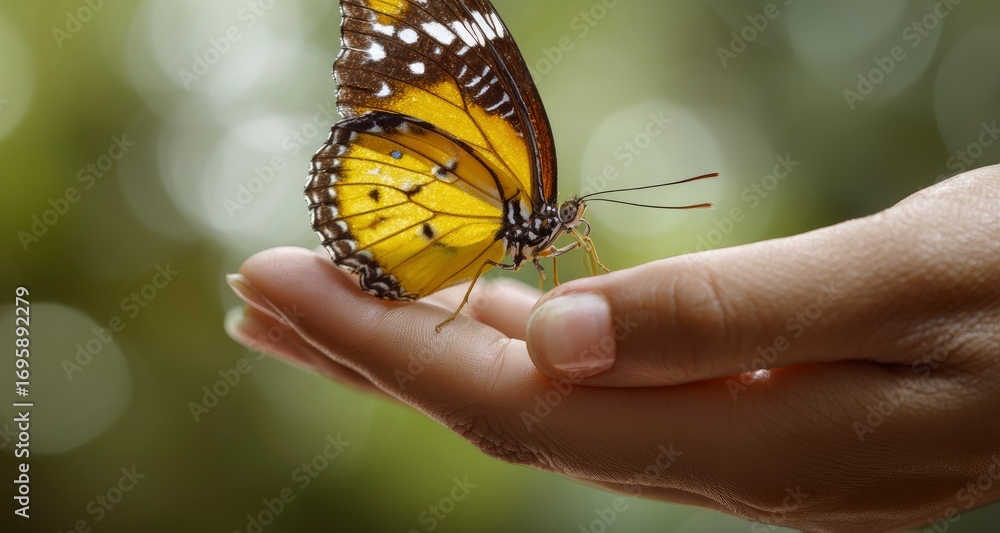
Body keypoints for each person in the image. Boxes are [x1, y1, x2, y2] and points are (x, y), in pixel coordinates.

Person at [225, 164, 1000, 532]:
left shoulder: (542, 224)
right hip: (407, 196)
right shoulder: (513, 186)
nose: (567, 224)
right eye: (564, 220)